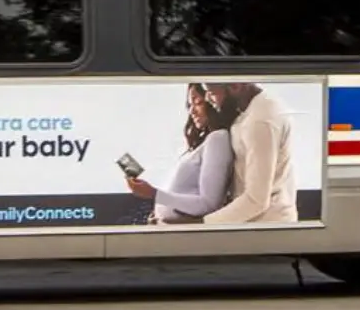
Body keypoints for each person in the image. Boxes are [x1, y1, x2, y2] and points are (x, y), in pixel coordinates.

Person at [126, 84, 234, 224]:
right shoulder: (203, 144)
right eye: (189, 105)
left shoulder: (218, 138)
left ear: (212, 101)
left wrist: (154, 194)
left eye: (198, 103)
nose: (192, 111)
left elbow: (208, 203)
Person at [202, 81, 300, 225]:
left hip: (266, 227)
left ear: (235, 86)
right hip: (261, 222)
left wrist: (201, 223)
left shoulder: (261, 120)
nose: (207, 98)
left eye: (211, 92)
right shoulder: (255, 109)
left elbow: (256, 200)